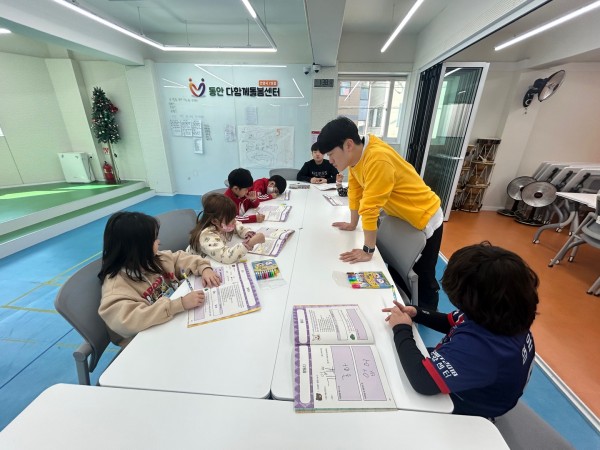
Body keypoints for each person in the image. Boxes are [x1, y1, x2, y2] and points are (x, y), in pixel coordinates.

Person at [382, 242, 538, 418]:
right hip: (477, 378)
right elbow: (452, 322)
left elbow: (423, 381)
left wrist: (401, 329)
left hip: (468, 406)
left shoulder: (482, 347)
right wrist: (417, 313)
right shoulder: (503, 314)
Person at [316, 116, 443, 310]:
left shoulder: (377, 159)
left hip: (425, 216)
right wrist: (352, 223)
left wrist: (368, 250)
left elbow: (370, 207)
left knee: (424, 276)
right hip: (403, 217)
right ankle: (408, 306)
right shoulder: (357, 158)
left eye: (331, 154)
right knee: (400, 272)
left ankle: (429, 314)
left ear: (348, 145)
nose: (330, 160)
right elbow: (356, 192)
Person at [98, 211, 221, 347]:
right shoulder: (116, 288)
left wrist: (204, 268)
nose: (159, 242)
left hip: (172, 322)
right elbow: (128, 321)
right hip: (146, 342)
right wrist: (179, 304)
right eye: (154, 240)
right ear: (138, 248)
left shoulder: (152, 259)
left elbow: (179, 258)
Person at [187, 193, 265, 263]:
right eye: (231, 220)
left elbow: (236, 224)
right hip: (193, 267)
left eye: (234, 218)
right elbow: (225, 257)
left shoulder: (221, 224)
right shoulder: (207, 235)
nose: (234, 221)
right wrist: (250, 243)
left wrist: (247, 233)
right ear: (214, 221)